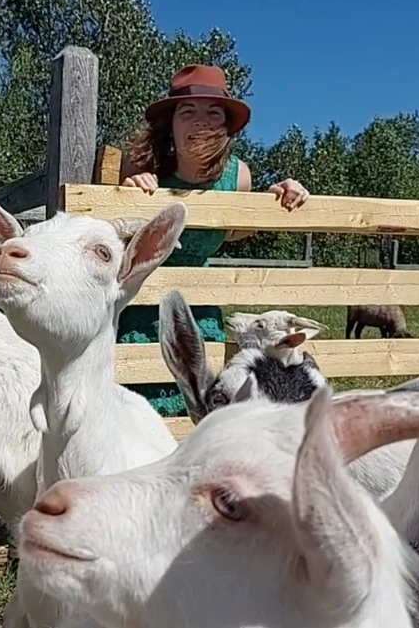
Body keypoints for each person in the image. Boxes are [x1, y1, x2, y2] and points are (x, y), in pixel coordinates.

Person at [115, 64, 310, 416]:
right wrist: (129, 194)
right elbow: (116, 232)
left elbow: (233, 231)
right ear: (170, 125)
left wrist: (275, 201)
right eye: (187, 112)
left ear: (226, 128)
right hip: (142, 309)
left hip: (203, 303)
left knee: (201, 407)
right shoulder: (140, 166)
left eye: (213, 113)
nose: (200, 121)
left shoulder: (239, 176)